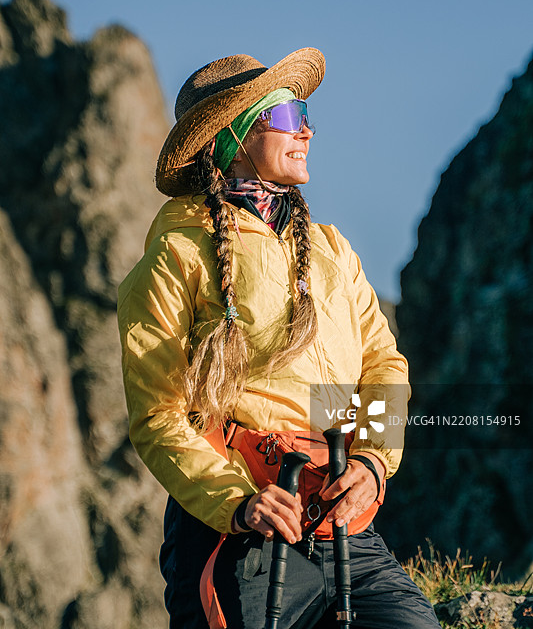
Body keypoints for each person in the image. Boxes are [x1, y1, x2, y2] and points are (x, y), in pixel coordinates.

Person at [118, 48, 440, 628]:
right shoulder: (175, 255)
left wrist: (370, 462)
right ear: (231, 137)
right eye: (290, 116)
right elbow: (158, 415)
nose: (307, 132)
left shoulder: (331, 249)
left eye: (307, 116)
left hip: (339, 524)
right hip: (235, 536)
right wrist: (238, 505)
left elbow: (383, 366)